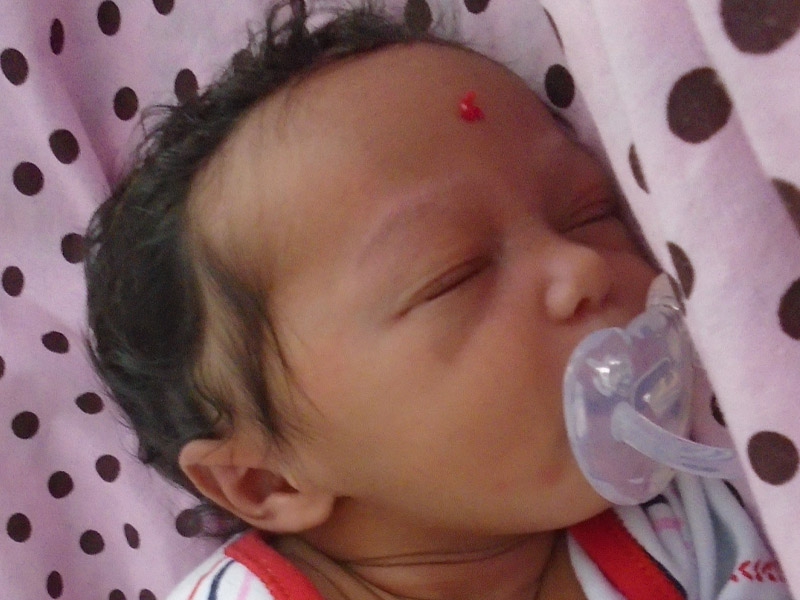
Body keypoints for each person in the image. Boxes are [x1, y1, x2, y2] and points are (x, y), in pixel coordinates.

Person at [84, 2, 792, 599]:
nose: (581, 267)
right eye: (456, 275)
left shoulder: (689, 529)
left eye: (589, 214)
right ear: (266, 480)